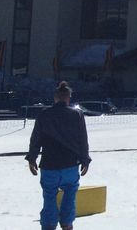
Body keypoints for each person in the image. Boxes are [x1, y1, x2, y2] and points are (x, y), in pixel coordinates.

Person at [26, 81, 91, 230]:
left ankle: (49, 225)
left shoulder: (44, 115)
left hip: (49, 164)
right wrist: (85, 159)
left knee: (49, 195)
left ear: (55, 97)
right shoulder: (77, 114)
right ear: (69, 97)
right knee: (70, 193)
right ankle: (67, 223)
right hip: (70, 163)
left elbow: (36, 138)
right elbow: (82, 138)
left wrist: (32, 158)